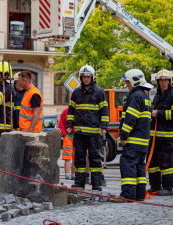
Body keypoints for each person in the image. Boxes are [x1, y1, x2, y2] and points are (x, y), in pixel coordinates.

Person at [66, 64, 109, 192]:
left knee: (95, 159)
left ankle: (96, 184)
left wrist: (104, 127)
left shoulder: (99, 92)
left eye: (88, 77)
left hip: (94, 133)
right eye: (84, 77)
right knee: (79, 158)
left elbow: (105, 111)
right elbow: (71, 111)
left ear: (92, 77)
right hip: (79, 133)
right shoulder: (76, 93)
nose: (86, 79)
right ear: (81, 77)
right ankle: (79, 183)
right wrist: (69, 125)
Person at [114, 69, 153, 202]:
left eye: (128, 82)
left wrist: (123, 136)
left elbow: (130, 118)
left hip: (133, 140)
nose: (127, 85)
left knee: (128, 164)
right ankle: (139, 194)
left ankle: (128, 195)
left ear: (134, 81)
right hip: (143, 141)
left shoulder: (135, 96)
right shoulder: (145, 96)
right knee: (139, 167)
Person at [147, 69, 173, 196]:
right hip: (155, 135)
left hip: (167, 136)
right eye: (162, 80)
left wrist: (158, 113)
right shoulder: (157, 95)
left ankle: (168, 188)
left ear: (170, 81)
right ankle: (155, 186)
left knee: (166, 163)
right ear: (158, 82)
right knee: (152, 162)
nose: (164, 83)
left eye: (166, 80)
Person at [58, 108, 75, 180]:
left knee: (68, 158)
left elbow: (61, 124)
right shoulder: (79, 109)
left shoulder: (66, 111)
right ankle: (72, 175)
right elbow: (61, 124)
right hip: (76, 136)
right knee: (73, 158)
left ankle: (68, 175)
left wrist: (64, 135)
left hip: (69, 136)